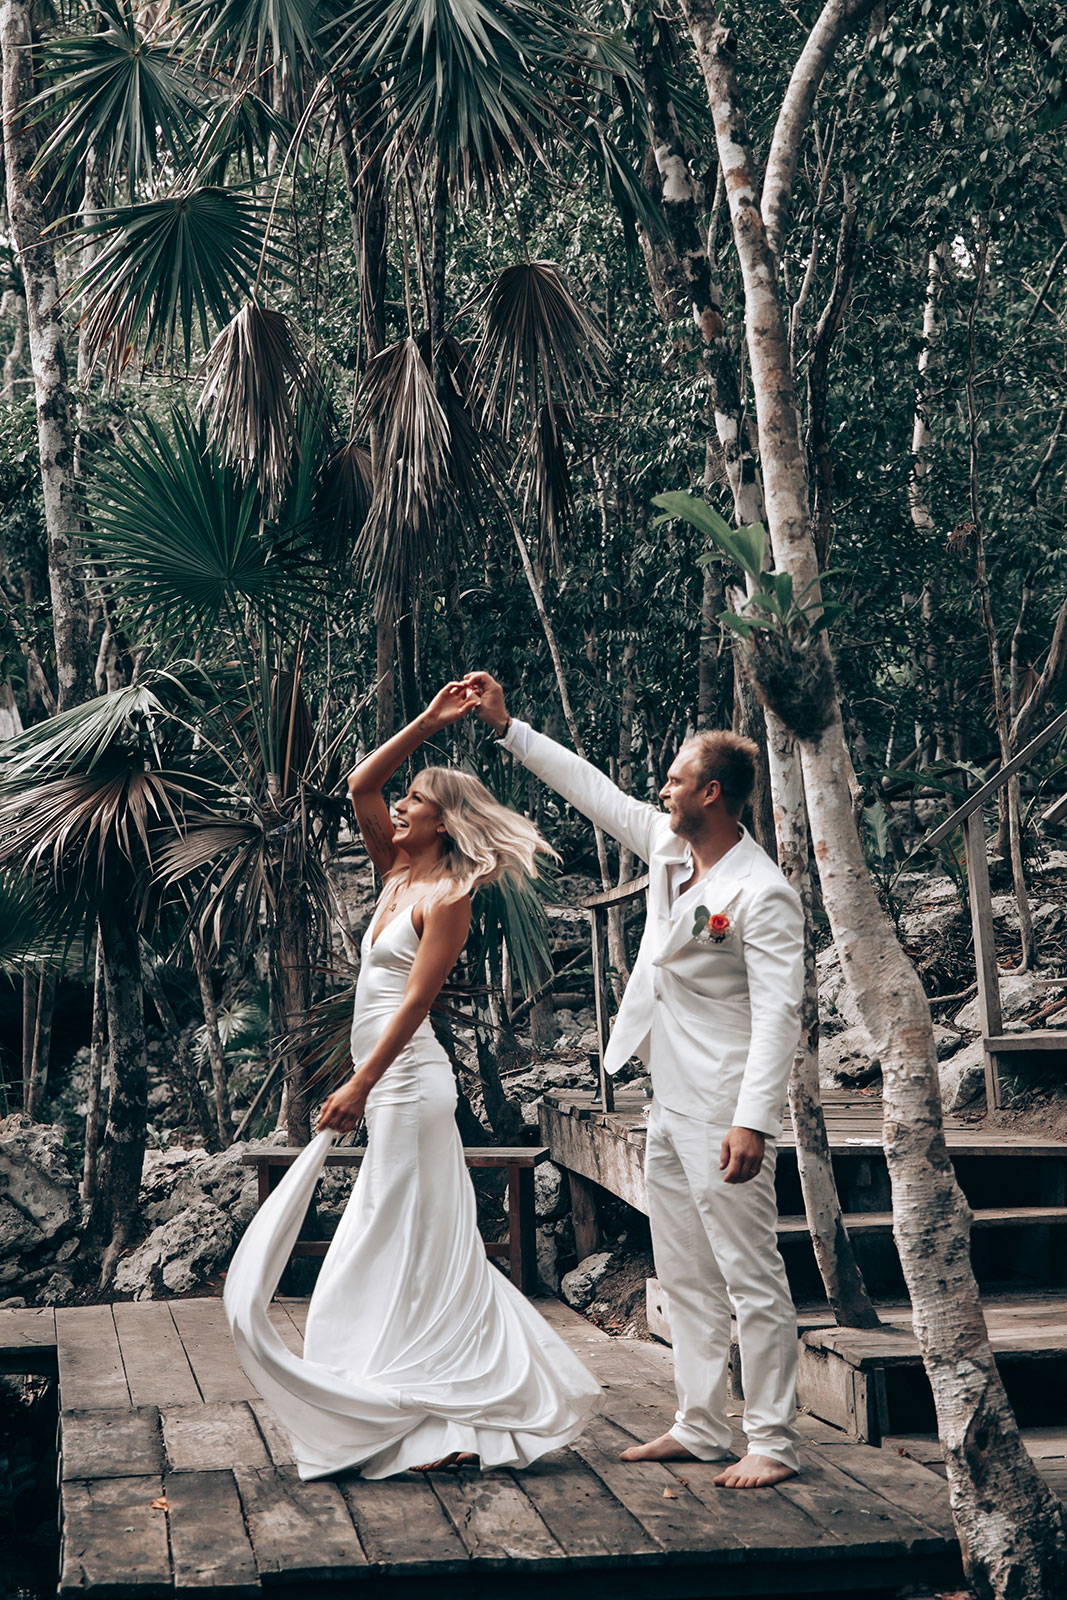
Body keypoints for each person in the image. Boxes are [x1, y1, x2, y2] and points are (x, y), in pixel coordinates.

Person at [224, 682, 599, 1481]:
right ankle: (422, 1390)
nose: (400, 807)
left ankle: (419, 1392)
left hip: (409, 1085)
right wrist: (430, 722)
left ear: (446, 820)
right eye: (407, 800)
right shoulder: (395, 872)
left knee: (395, 1232)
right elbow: (361, 784)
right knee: (414, 1236)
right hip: (383, 1082)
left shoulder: (449, 896)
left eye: (418, 800)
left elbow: (418, 1001)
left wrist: (358, 1085)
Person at [463, 671, 805, 1489]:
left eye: (677, 777)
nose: (662, 787)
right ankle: (700, 1424)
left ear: (712, 792)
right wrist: (509, 727)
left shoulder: (761, 892)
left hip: (724, 1104)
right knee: (681, 1268)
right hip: (665, 1096)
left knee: (749, 1275)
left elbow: (780, 1013)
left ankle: (773, 1442)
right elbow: (596, 791)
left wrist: (753, 1121)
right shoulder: (667, 849)